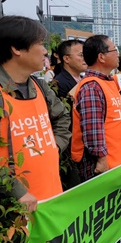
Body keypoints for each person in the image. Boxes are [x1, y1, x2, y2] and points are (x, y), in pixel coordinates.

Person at [0, 16, 71, 212]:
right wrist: (18, 192)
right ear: (16, 49)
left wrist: (53, 148)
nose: (45, 51)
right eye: (40, 44)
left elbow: (62, 118)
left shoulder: (39, 86)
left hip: (51, 199)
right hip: (11, 210)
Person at [72, 35, 121, 183]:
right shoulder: (92, 87)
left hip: (119, 161)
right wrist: (101, 160)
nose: (118, 54)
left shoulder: (107, 82)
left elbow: (119, 119)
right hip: (104, 167)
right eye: (115, 50)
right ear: (101, 57)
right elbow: (92, 129)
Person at [51, 39, 87, 190]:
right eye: (81, 55)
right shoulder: (59, 83)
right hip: (71, 145)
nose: (85, 58)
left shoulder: (83, 79)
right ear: (66, 58)